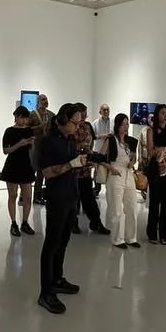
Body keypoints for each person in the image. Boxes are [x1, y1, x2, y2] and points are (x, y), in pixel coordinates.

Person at [35, 104, 91, 315]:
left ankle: (57, 279)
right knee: (51, 244)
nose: (78, 126)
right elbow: (48, 172)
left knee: (63, 242)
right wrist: (71, 164)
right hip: (57, 198)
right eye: (76, 122)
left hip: (71, 196)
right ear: (63, 120)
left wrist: (81, 163)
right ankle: (45, 292)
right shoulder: (48, 142)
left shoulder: (70, 140)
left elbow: (71, 165)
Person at [145, 104, 166, 245]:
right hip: (154, 168)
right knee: (154, 200)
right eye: (163, 113)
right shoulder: (150, 131)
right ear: (157, 115)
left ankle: (165, 234)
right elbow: (150, 151)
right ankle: (152, 233)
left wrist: (162, 150)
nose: (165, 116)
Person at [72, 104, 108, 235]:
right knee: (74, 197)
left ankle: (96, 222)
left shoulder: (88, 126)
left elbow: (92, 141)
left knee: (88, 196)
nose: (84, 116)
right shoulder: (71, 127)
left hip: (85, 168)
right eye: (82, 114)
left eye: (85, 113)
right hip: (73, 168)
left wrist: (90, 154)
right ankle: (73, 222)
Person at [104, 113, 138, 249]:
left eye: (127, 124)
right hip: (115, 174)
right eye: (123, 124)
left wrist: (133, 162)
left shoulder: (131, 141)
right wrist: (110, 168)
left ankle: (131, 237)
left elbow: (134, 157)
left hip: (129, 174)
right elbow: (99, 157)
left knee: (132, 207)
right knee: (117, 209)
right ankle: (117, 238)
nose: (125, 127)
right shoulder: (111, 140)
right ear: (117, 125)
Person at [2, 106, 36, 237]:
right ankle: (13, 223)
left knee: (27, 196)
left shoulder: (29, 130)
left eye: (26, 118)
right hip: (12, 165)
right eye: (22, 118)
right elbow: (6, 150)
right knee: (13, 195)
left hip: (26, 165)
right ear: (16, 117)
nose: (24, 121)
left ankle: (25, 222)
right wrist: (19, 144)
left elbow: (32, 149)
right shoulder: (9, 131)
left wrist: (32, 144)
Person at [27, 94, 54, 205]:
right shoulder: (32, 115)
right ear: (38, 102)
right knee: (33, 170)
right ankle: (25, 196)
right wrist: (39, 127)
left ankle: (42, 195)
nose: (45, 101)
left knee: (45, 171)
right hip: (36, 146)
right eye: (43, 99)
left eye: (46, 99)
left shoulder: (51, 115)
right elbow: (27, 129)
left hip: (48, 147)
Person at [91, 104, 112, 196]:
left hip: (110, 151)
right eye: (104, 110)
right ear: (100, 112)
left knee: (110, 171)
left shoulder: (113, 122)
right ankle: (96, 190)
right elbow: (92, 136)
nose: (106, 112)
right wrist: (102, 136)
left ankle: (110, 190)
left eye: (107, 110)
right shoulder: (95, 123)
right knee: (97, 171)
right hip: (98, 150)